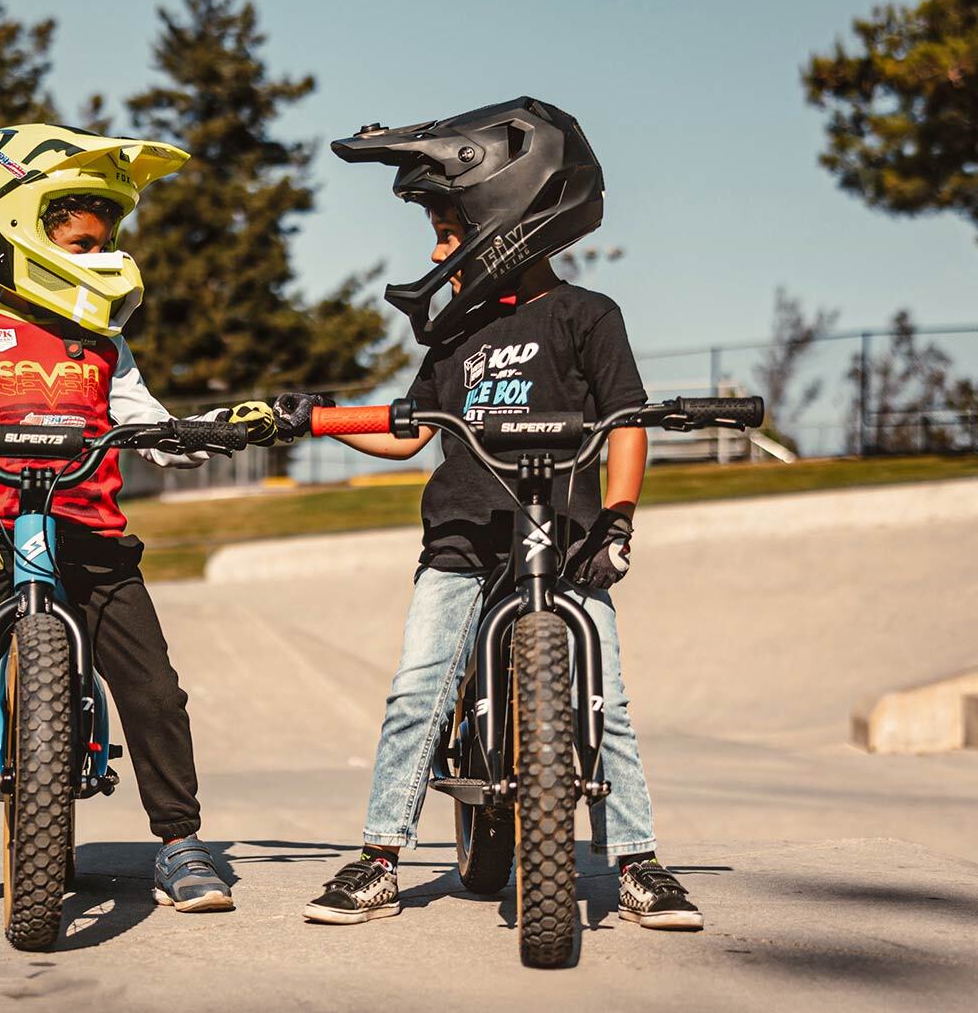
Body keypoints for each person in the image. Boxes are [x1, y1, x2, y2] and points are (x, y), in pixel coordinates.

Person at [275, 98, 703, 931]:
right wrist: (318, 417)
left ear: (500, 221)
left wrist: (618, 520)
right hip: (464, 537)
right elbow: (408, 434)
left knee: (604, 698)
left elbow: (626, 426)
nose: (437, 251)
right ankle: (378, 857)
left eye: (445, 231)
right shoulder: (456, 334)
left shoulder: (588, 317)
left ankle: (640, 861)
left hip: (568, 540)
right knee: (417, 690)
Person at [0, 124, 277, 921]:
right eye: (85, 241)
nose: (101, 255)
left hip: (92, 543)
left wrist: (220, 427)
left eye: (107, 241)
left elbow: (149, 430)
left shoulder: (104, 345)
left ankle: (179, 842)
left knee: (155, 693)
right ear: (24, 233)